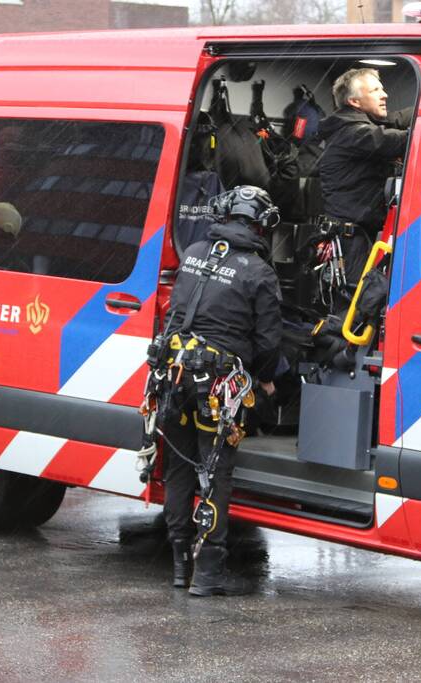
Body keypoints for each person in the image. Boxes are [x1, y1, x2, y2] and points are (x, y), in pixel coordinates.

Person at [157, 185, 282, 597]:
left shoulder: (192, 252)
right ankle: (207, 575)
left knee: (178, 470)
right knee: (214, 475)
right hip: (219, 387)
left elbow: (176, 312)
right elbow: (267, 345)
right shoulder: (259, 272)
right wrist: (265, 379)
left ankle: (178, 566)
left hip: (174, 376)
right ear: (261, 224)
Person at [318, 67, 412, 286]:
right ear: (355, 102)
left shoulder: (354, 125)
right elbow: (398, 139)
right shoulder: (353, 134)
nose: (385, 94)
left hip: (361, 237)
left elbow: (395, 120)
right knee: (355, 307)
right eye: (375, 90)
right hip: (351, 245)